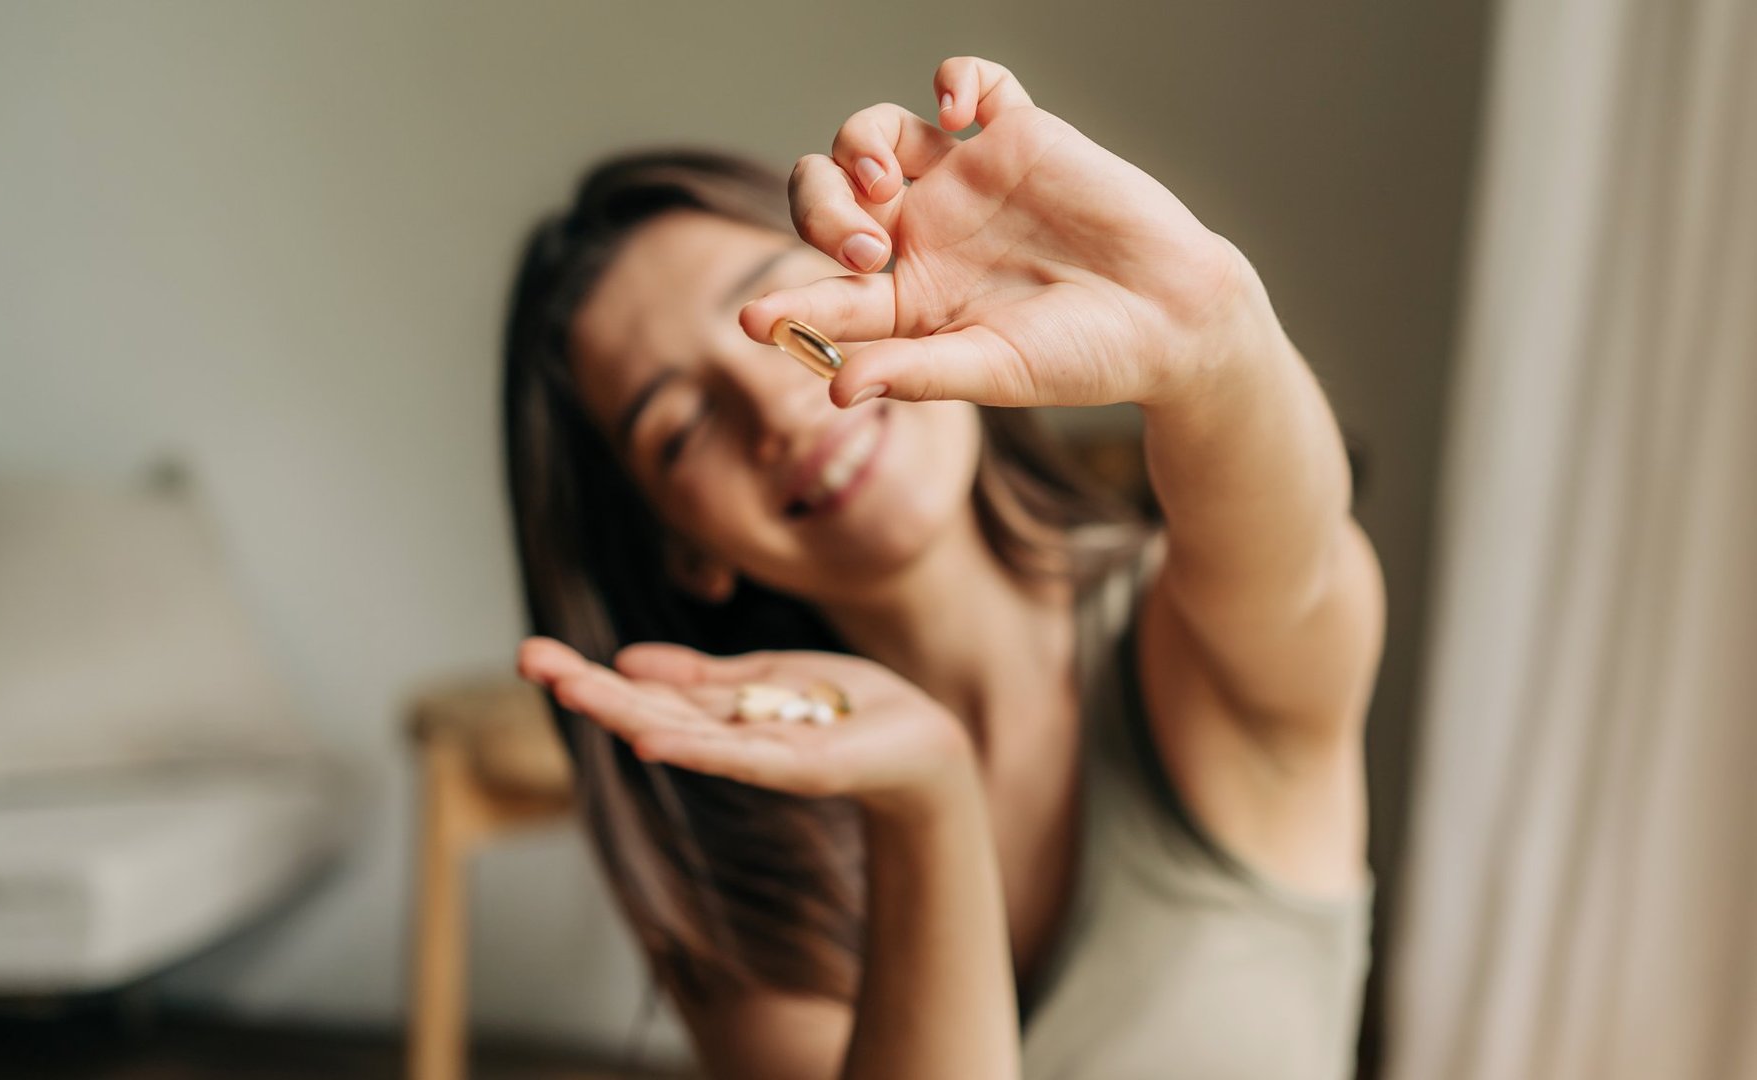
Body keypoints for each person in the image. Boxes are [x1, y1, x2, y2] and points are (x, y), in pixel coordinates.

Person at [506, 56, 1384, 1080]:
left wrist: (1207, 322)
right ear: (682, 550)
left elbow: (1304, 557)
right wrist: (926, 799)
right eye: (680, 426)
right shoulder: (741, 842)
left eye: (778, 308)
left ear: (883, 270)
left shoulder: (1191, 642)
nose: (773, 405)